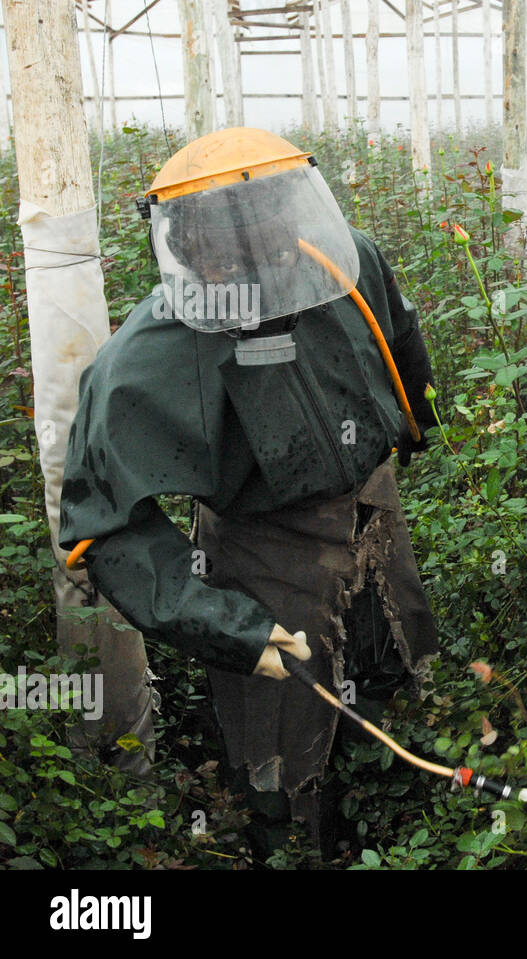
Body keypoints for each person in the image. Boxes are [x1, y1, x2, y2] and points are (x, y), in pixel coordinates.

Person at [58, 127, 441, 855]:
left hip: (373, 512)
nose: (254, 261)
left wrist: (413, 425)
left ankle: (393, 826)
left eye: (268, 234)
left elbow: (402, 338)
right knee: (280, 745)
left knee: (389, 674)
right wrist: (224, 622)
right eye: (227, 251)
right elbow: (101, 527)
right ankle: (286, 842)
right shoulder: (151, 351)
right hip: (263, 555)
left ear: (295, 215)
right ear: (191, 247)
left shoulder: (343, 264)